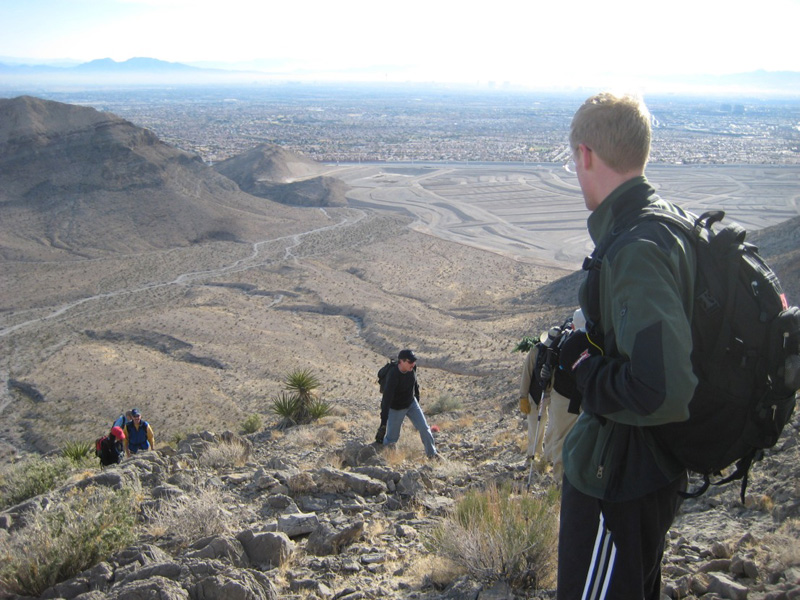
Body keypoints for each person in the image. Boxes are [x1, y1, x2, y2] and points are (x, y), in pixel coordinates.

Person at [554, 92, 697, 600]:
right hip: (645, 471)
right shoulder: (665, 222)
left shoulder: (635, 248)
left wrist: (584, 366)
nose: (575, 169)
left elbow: (660, 388)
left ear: (587, 155)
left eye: (574, 159)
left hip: (616, 476)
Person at [518, 309, 582, 481]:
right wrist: (523, 396)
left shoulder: (555, 354)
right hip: (535, 395)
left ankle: (548, 457)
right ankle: (532, 456)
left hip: (552, 394)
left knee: (552, 427)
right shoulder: (535, 352)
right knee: (535, 427)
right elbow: (527, 374)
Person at [381, 349, 439, 459]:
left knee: (424, 428)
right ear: (401, 361)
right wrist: (383, 421)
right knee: (391, 439)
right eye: (410, 362)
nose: (413, 364)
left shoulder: (412, 369)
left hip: (411, 403)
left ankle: (432, 455)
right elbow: (387, 398)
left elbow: (415, 385)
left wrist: (417, 400)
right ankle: (387, 459)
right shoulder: (393, 375)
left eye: (414, 361)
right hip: (396, 408)